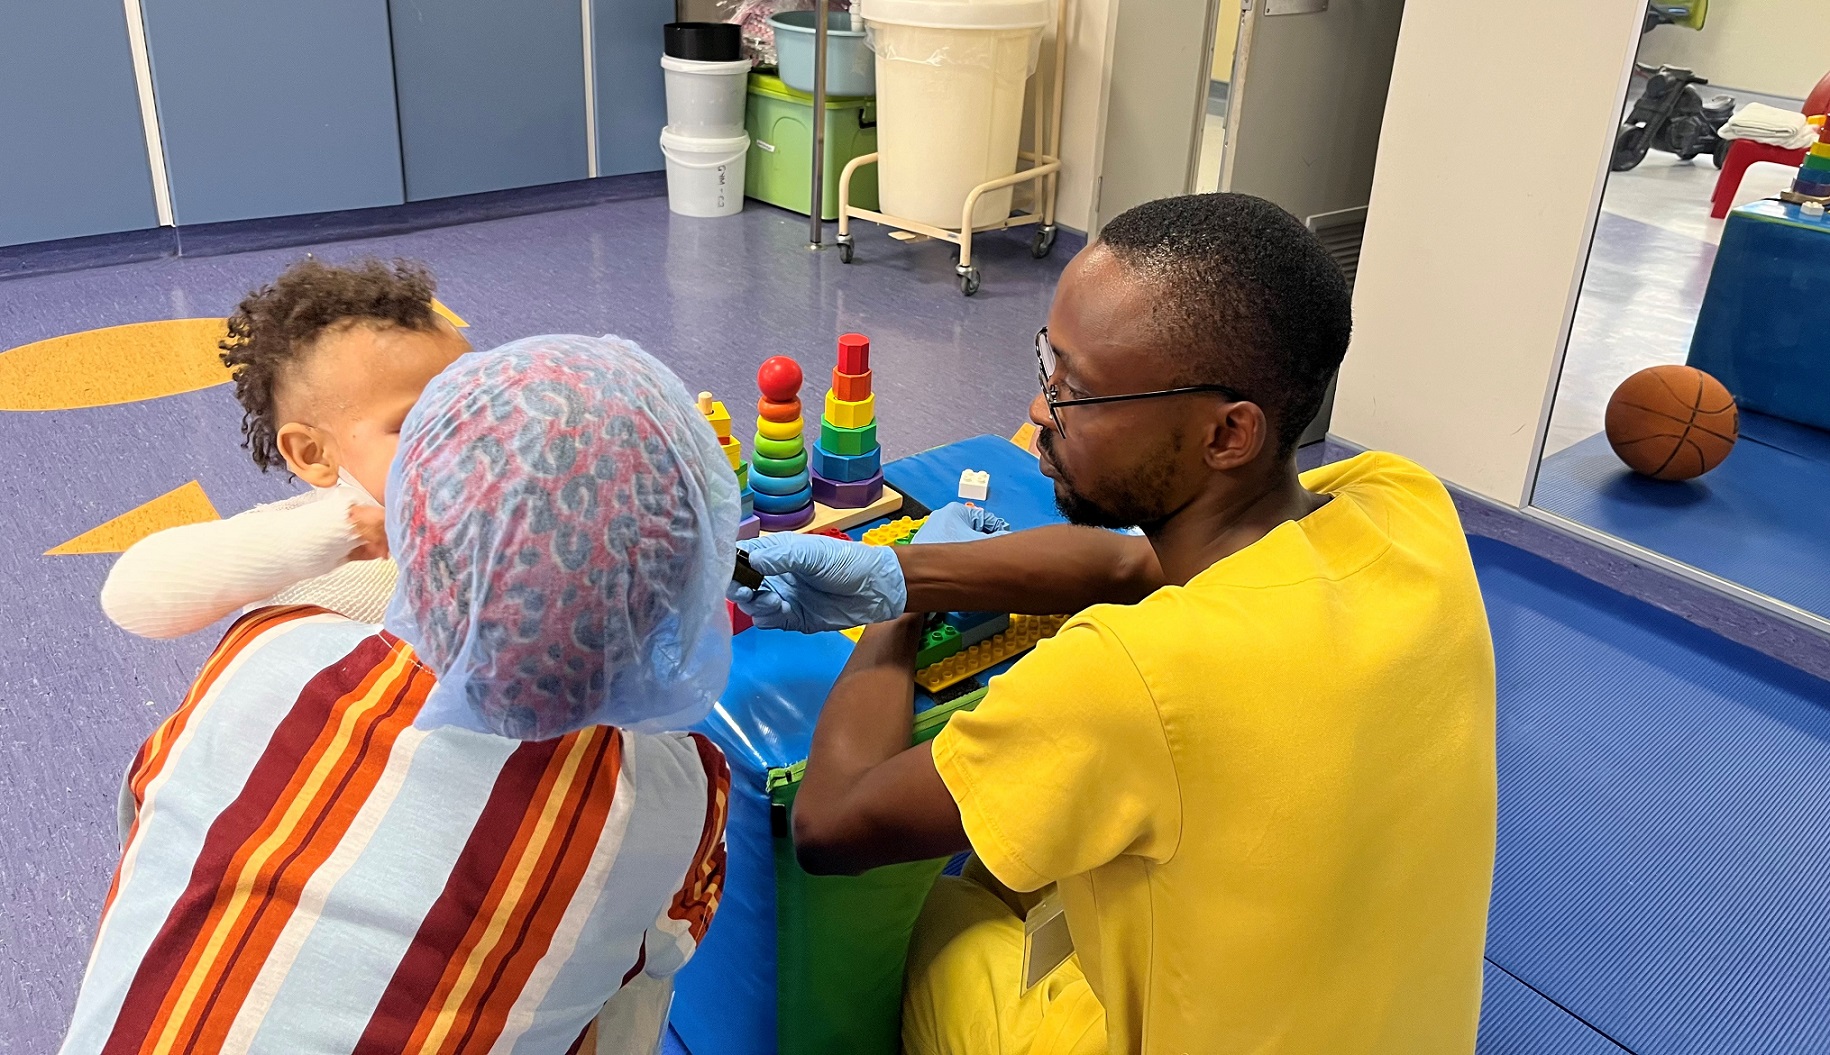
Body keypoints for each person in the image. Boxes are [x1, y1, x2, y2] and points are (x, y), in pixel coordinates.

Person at [729, 193, 1499, 1055]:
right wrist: (896, 569)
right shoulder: (1403, 503)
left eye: (1079, 393)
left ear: (1227, 433)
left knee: (944, 909)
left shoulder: (1134, 675)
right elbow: (1136, 564)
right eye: (1050, 368)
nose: (1042, 408)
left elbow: (833, 826)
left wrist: (894, 619)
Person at [61, 335, 738, 1054]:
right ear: (688, 581)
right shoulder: (664, 798)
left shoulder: (267, 652)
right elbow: (653, 957)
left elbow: (148, 813)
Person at [101, 258, 469, 638]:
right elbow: (132, 596)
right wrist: (340, 533)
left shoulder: (510, 505)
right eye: (417, 423)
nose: (470, 436)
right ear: (313, 454)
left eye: (483, 406)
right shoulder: (311, 533)